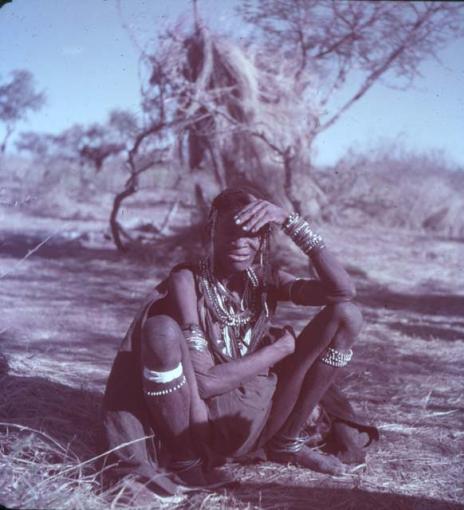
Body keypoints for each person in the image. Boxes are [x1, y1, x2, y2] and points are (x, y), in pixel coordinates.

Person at [102, 187, 378, 495]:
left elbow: (342, 293)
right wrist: (279, 349)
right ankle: (187, 464)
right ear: (212, 232)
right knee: (161, 330)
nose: (240, 243)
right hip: (204, 427)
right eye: (230, 232)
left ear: (263, 239)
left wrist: (292, 223)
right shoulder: (188, 280)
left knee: (347, 315)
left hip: (263, 417)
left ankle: (286, 441)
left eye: (253, 234)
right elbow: (205, 382)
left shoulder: (265, 280)